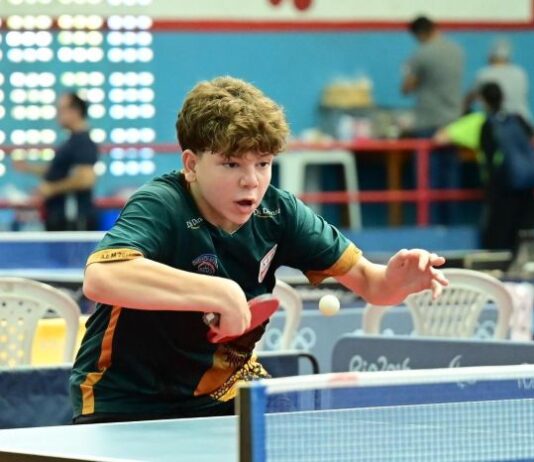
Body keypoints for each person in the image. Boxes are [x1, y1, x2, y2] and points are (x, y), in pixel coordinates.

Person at [70, 76, 448, 424]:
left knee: (295, 438)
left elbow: (373, 285)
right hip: (125, 399)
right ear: (191, 164)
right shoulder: (162, 204)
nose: (251, 181)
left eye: (263, 163)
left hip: (223, 391)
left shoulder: (279, 213)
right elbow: (102, 277)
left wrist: (396, 281)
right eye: (231, 164)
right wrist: (220, 292)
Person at [434, 82, 534, 256]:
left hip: (499, 187)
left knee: (496, 238)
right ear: (503, 98)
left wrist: (465, 106)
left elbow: (439, 138)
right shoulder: (518, 119)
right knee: (523, 236)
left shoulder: (478, 121)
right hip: (527, 184)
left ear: (481, 100)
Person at [401, 16, 464, 225]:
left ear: (419, 33)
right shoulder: (456, 51)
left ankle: (430, 226)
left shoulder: (421, 54)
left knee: (427, 179)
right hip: (453, 122)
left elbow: (407, 87)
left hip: (428, 121)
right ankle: (450, 226)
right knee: (450, 178)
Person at [13, 92, 99, 231]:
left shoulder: (82, 142)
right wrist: (28, 168)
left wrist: (50, 189)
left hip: (72, 220)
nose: (58, 115)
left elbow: (86, 179)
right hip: (61, 218)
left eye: (61, 110)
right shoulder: (71, 142)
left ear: (75, 111)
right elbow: (58, 172)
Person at [464, 38, 531, 121]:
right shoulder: (520, 73)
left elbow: (468, 100)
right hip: (522, 123)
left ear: (490, 56)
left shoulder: (484, 74)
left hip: (496, 123)